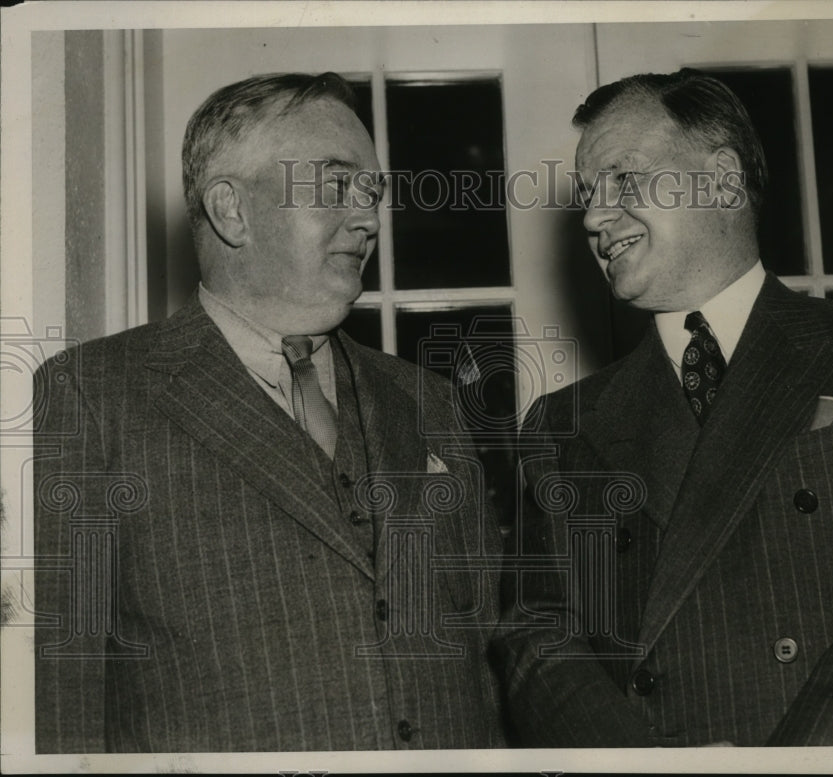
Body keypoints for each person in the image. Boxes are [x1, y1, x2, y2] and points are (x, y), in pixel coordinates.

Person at [34, 72, 505, 752]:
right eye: (335, 184)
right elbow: (60, 698)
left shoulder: (425, 400)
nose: (368, 216)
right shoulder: (90, 396)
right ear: (231, 210)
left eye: (371, 191)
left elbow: (482, 658)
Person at [497, 69, 833, 747]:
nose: (594, 218)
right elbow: (535, 640)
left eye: (623, 179)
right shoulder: (560, 425)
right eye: (590, 196)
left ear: (720, 179)